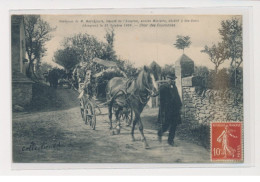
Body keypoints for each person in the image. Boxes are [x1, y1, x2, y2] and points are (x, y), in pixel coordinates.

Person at [157, 72, 182, 146]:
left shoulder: (174, 87)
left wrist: (180, 106)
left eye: (173, 79)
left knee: (174, 125)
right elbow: (161, 100)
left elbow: (177, 97)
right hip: (166, 109)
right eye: (170, 79)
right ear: (167, 79)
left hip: (175, 109)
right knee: (166, 125)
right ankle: (160, 133)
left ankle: (170, 140)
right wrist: (162, 111)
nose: (171, 80)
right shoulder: (163, 87)